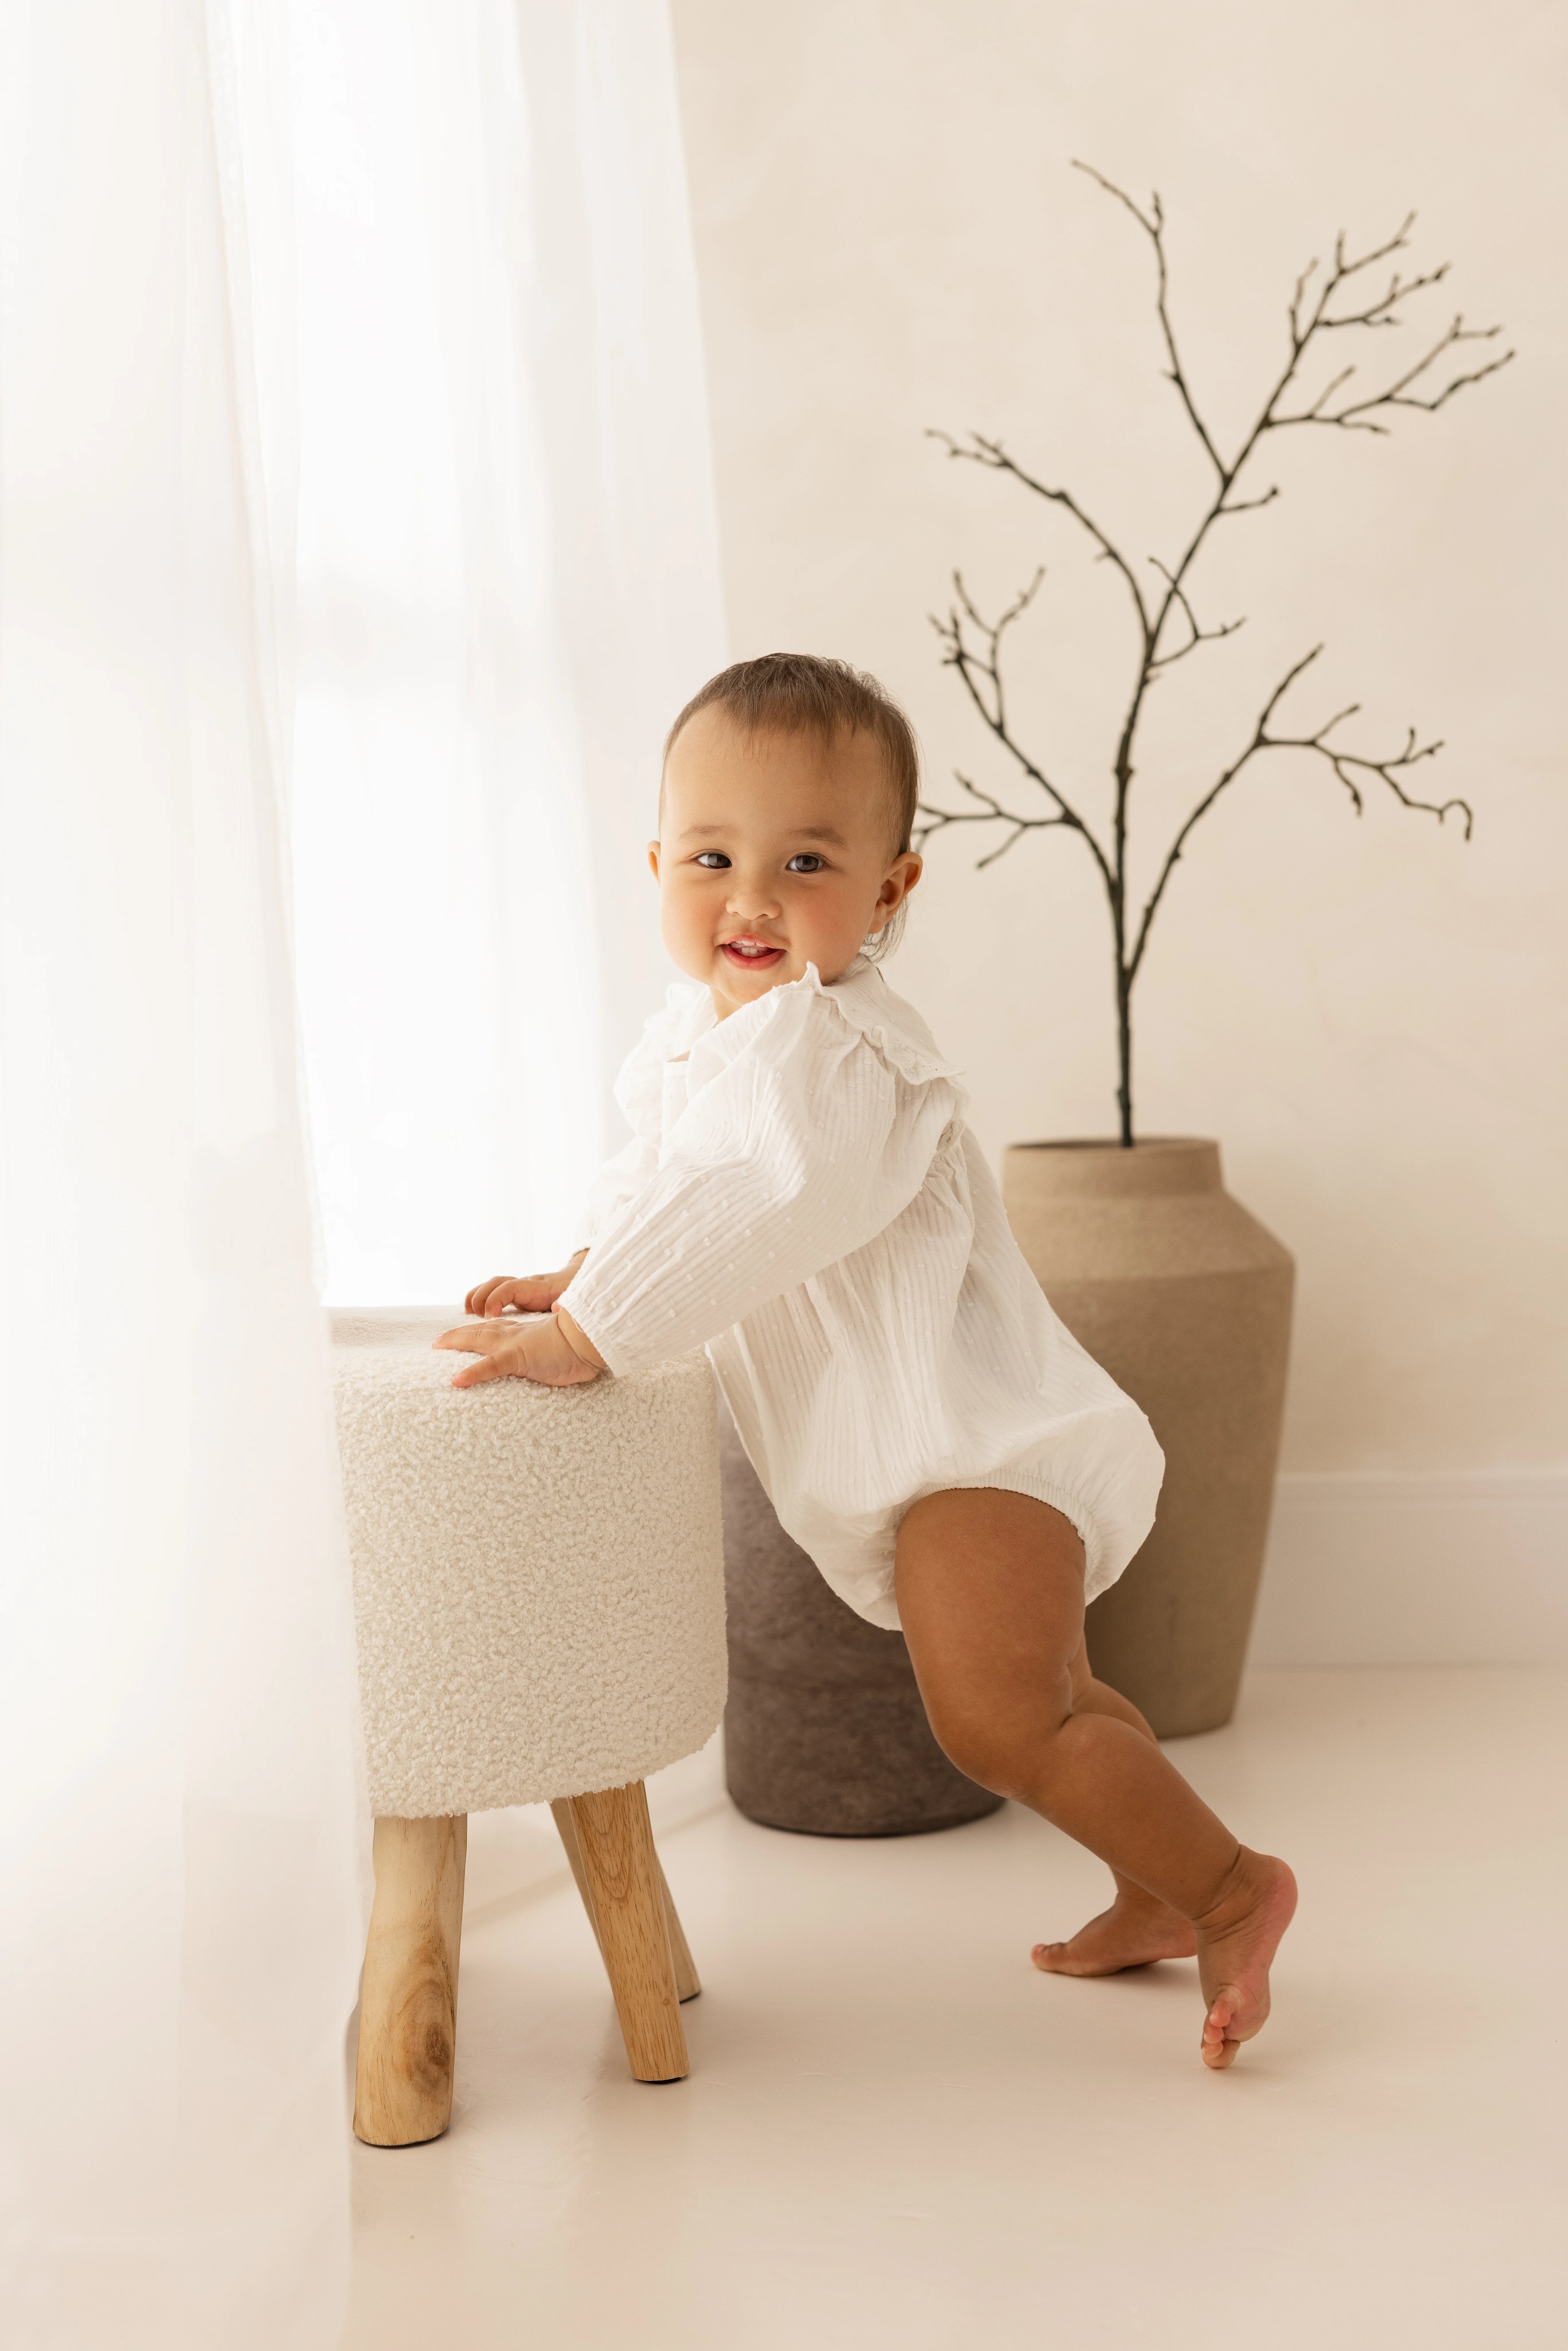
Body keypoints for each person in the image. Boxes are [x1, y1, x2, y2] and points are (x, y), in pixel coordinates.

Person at [436, 653, 1296, 2069]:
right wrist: (586, 1266)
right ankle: (1155, 1878)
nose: (751, 896)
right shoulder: (699, 1044)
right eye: (711, 856)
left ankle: (1230, 1886)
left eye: (806, 860)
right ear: (655, 863)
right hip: (917, 1450)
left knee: (998, 1722)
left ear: (891, 891)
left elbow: (762, 1198)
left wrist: (591, 1333)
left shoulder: (836, 1055)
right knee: (1062, 1701)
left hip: (973, 1444)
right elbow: (666, 1187)